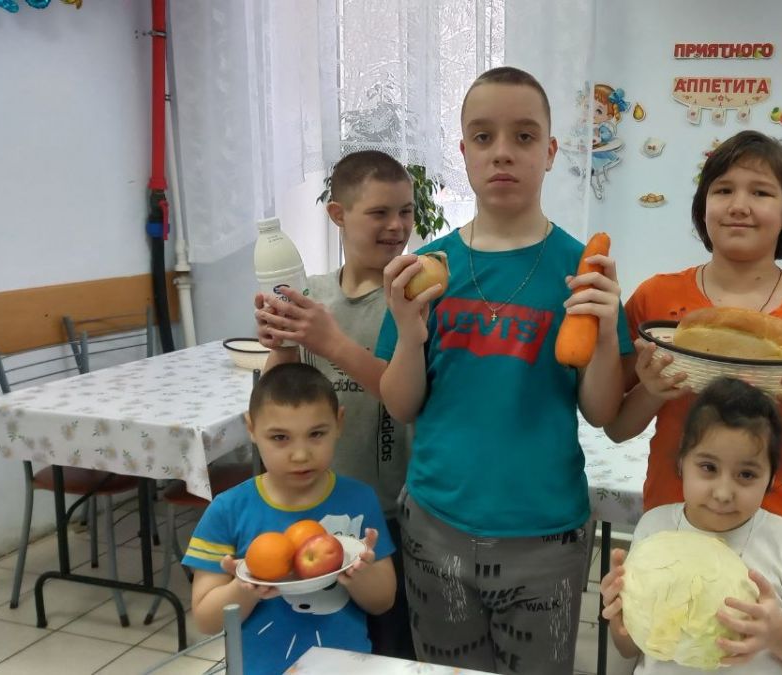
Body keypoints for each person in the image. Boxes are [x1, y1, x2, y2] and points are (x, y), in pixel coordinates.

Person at [374, 66, 633, 674]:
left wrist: (603, 337)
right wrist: (409, 334)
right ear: (463, 151)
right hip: (435, 523)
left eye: (523, 136)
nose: (502, 153)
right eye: (483, 137)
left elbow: (602, 413)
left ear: (550, 152)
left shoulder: (583, 272)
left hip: (546, 533)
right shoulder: (429, 268)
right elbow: (400, 405)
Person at [605, 129, 782, 546]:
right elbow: (617, 428)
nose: (738, 206)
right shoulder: (653, 299)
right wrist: (652, 391)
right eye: (723, 190)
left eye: (761, 192)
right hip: (674, 522)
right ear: (703, 207)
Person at [254, 150, 415, 658]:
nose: (397, 226)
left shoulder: (411, 298)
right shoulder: (313, 296)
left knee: (390, 644)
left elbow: (408, 397)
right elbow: (279, 396)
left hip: (390, 509)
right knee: (320, 643)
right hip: (313, 504)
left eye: (406, 211)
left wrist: (332, 343)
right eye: (379, 212)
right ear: (338, 215)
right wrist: (280, 343)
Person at [601, 377, 782, 675]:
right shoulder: (655, 526)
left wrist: (780, 633)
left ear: (771, 478)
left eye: (746, 474)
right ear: (682, 462)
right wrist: (620, 612)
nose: (724, 493)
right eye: (708, 468)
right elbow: (628, 648)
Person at [183, 363, 396, 674]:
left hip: (346, 667)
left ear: (339, 423)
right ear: (251, 428)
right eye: (280, 437)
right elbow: (206, 620)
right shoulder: (227, 510)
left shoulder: (359, 500)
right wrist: (244, 587)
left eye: (316, 434)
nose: (300, 455)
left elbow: (383, 601)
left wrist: (359, 573)